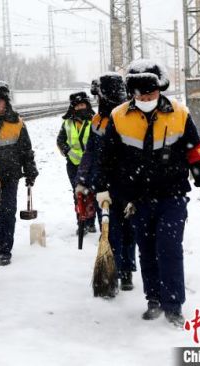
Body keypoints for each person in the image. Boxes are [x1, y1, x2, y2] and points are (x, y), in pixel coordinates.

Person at [92, 59, 200, 327]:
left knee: (169, 248)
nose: (146, 97)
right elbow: (107, 157)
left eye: (151, 92)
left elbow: (194, 150)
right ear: (132, 93)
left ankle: (173, 305)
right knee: (147, 250)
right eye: (141, 94)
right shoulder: (119, 117)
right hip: (137, 199)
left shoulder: (179, 114)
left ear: (160, 88)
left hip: (172, 195)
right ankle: (154, 300)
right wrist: (101, 187)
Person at [75, 73, 136, 291]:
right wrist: (82, 181)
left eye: (99, 97)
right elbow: (90, 152)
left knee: (128, 230)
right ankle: (113, 272)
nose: (97, 101)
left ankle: (127, 270)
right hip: (103, 186)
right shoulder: (97, 120)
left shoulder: (129, 117)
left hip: (128, 185)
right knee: (109, 231)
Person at [0, 81, 39, 266]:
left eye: (0, 101)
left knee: (8, 211)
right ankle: (2, 234)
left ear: (6, 102)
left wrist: (30, 169)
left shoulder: (17, 122)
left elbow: (26, 149)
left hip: (10, 174)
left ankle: (5, 249)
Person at [56, 91, 97, 234]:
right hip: (73, 164)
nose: (80, 108)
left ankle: (91, 222)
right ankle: (81, 222)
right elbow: (60, 140)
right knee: (78, 194)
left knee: (91, 193)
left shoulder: (94, 121)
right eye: (78, 105)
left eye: (83, 104)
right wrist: (66, 151)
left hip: (91, 165)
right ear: (73, 107)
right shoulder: (67, 123)